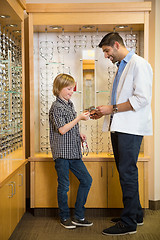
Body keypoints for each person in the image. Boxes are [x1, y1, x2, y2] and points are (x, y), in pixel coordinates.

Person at [91, 32, 153, 236]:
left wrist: (112, 109)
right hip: (120, 127)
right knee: (126, 172)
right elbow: (121, 100)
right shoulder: (122, 67)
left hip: (131, 128)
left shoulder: (139, 64)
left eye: (107, 51)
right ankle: (135, 214)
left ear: (116, 45)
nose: (107, 56)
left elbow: (141, 99)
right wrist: (104, 112)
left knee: (127, 173)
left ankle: (128, 223)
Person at [49, 73, 93, 229]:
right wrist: (79, 119)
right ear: (59, 88)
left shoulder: (70, 104)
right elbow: (61, 130)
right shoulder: (56, 107)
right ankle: (64, 217)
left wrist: (78, 133)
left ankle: (79, 216)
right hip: (62, 153)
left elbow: (69, 126)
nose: (71, 92)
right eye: (68, 89)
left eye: (72, 89)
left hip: (73, 152)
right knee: (64, 186)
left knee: (87, 180)